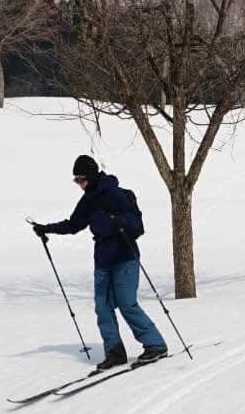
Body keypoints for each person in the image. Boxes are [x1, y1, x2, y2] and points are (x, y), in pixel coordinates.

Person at [32, 154, 168, 371]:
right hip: (103, 258)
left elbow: (137, 222)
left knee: (126, 303)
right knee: (102, 307)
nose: (79, 184)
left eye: (81, 179)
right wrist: (46, 228)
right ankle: (114, 352)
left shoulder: (116, 194)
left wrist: (121, 221)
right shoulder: (88, 200)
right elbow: (74, 224)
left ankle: (155, 344)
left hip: (124, 255)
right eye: (76, 180)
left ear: (92, 176)